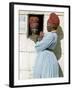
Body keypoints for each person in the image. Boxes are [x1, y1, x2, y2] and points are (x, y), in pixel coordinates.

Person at [33, 13, 60, 78]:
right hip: (48, 56)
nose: (47, 26)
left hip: (46, 58)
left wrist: (39, 38)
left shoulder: (50, 35)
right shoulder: (54, 35)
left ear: (51, 25)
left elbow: (38, 47)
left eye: (48, 24)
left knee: (44, 74)